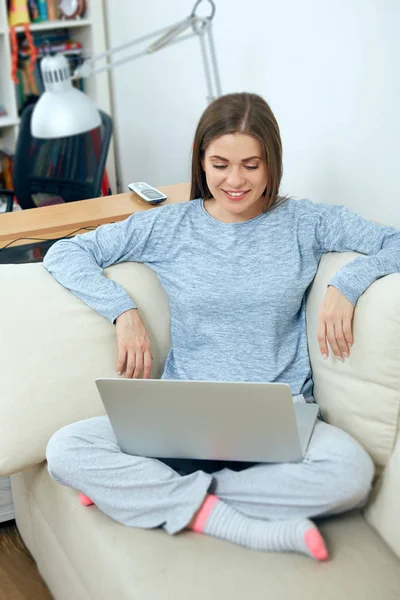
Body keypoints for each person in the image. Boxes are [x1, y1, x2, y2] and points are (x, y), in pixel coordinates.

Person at [44, 92, 400, 562]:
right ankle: (229, 520)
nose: (235, 180)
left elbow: (393, 241)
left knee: (350, 474)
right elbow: (64, 252)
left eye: (251, 165)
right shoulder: (169, 226)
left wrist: (349, 281)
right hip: (181, 419)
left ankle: (152, 497)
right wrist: (122, 310)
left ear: (272, 162)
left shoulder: (306, 222)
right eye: (220, 164)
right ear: (201, 162)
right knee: (65, 449)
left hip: (280, 415)